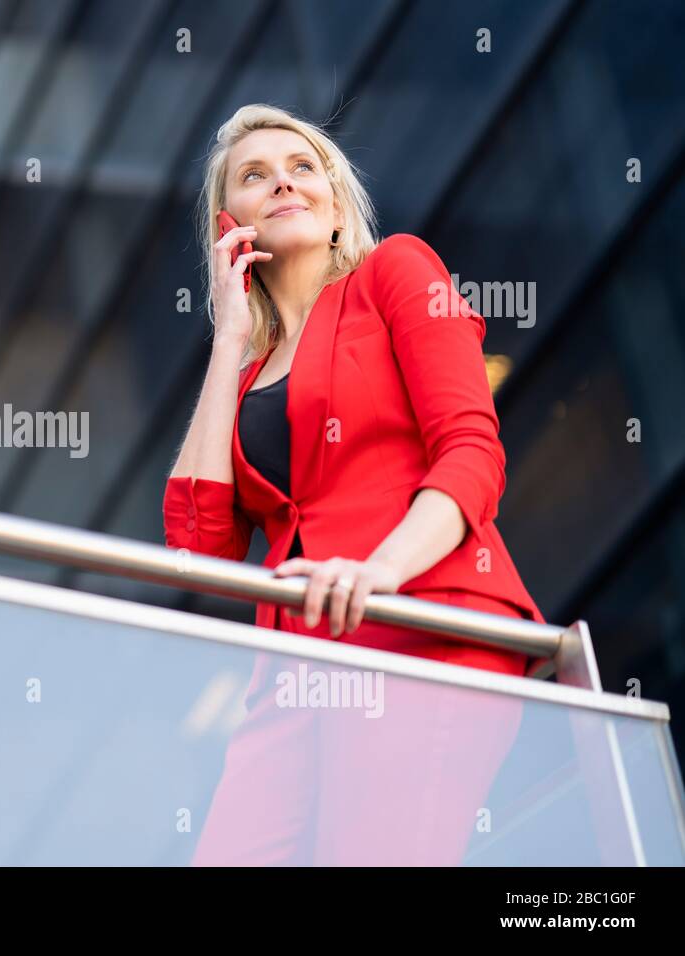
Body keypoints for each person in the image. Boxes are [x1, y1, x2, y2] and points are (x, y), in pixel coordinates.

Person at [163, 104, 543, 865]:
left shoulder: (394, 273)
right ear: (225, 226)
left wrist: (381, 572)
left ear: (337, 209)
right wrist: (231, 335)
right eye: (255, 176)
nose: (283, 183)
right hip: (300, 668)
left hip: (424, 622)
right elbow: (199, 543)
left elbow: (472, 453)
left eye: (304, 169)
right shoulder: (242, 376)